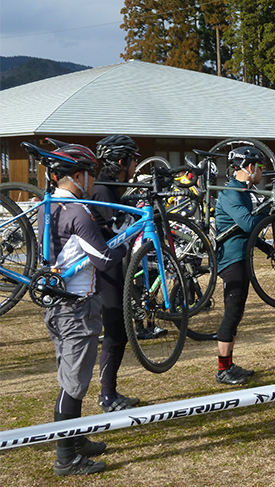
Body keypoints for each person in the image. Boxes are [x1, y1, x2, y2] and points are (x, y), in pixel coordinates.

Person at [39, 144, 128, 476]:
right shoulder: (77, 211)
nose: (91, 181)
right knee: (74, 382)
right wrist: (126, 241)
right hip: (75, 307)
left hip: (60, 304)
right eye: (88, 174)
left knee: (71, 377)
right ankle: (67, 457)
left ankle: (74, 439)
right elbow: (103, 258)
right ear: (77, 176)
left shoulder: (48, 207)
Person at [91, 135, 142, 413]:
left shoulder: (110, 186)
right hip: (105, 269)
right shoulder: (103, 189)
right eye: (133, 159)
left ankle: (110, 392)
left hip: (113, 265)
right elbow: (119, 224)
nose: (135, 164)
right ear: (122, 161)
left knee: (119, 330)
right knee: (115, 330)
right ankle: (107, 395)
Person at [213, 146, 267, 384]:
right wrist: (269, 215)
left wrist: (267, 248)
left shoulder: (243, 192)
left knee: (237, 314)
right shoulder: (231, 193)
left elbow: (249, 231)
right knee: (232, 313)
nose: (262, 173)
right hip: (231, 260)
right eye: (261, 167)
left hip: (241, 257)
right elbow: (247, 224)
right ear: (250, 167)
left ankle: (230, 364)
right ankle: (222, 369)